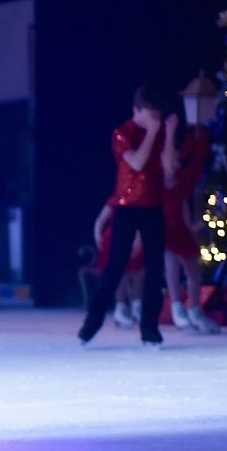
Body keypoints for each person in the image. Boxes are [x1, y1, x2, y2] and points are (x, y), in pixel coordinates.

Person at [79, 84, 177, 346]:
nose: (155, 120)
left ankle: (150, 329)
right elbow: (136, 162)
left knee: (155, 270)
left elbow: (168, 173)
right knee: (115, 267)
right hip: (127, 206)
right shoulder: (122, 133)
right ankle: (92, 323)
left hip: (153, 206)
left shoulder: (157, 133)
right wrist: (154, 132)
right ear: (138, 111)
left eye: (158, 115)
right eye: (151, 115)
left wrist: (168, 134)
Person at [162, 92, 219, 333]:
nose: (174, 161)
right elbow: (167, 165)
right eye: (171, 158)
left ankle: (194, 308)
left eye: (176, 158)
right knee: (172, 265)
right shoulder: (164, 177)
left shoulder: (182, 179)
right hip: (166, 226)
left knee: (193, 270)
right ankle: (177, 307)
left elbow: (188, 195)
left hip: (181, 228)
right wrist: (170, 132)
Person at [92, 204, 145, 328]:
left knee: (138, 271)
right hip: (114, 239)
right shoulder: (114, 202)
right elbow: (100, 221)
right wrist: (98, 237)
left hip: (132, 238)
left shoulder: (138, 200)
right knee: (121, 272)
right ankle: (120, 307)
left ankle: (137, 306)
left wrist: (138, 239)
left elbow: (139, 223)